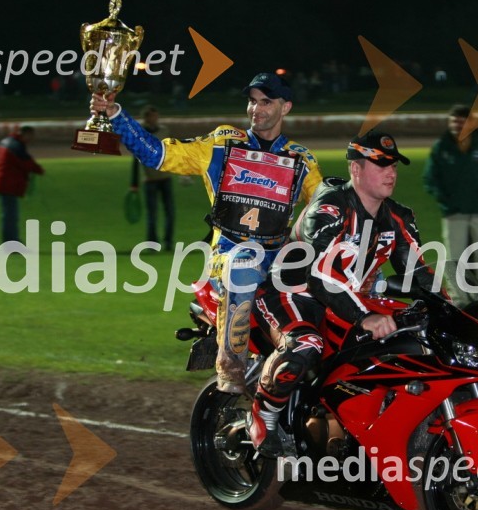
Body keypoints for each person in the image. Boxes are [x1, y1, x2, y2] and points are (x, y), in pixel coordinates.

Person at [91, 72, 323, 393]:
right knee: (243, 262)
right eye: (252, 101)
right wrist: (117, 116)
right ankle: (231, 369)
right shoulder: (221, 145)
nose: (256, 109)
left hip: (280, 263)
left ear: (286, 108)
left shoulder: (301, 159)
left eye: (266, 102)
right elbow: (157, 154)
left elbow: (325, 208)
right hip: (229, 259)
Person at [248, 131, 433, 457]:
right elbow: (321, 276)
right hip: (293, 293)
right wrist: (366, 317)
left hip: (347, 300)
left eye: (393, 165)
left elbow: (419, 275)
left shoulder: (398, 216)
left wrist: (456, 309)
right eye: (380, 164)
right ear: (356, 169)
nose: (390, 172)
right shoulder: (330, 208)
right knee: (306, 344)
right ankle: (263, 416)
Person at [423, 104, 478, 291]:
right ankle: (457, 296)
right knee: (455, 255)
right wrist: (444, 200)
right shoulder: (441, 147)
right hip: (454, 211)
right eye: (454, 121)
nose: (457, 125)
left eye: (462, 121)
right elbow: (429, 178)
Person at [130, 105, 175, 250]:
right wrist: (134, 183)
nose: (155, 119)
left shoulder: (164, 131)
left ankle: (168, 242)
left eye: (156, 116)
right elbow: (135, 160)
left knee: (170, 212)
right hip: (150, 180)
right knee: (152, 214)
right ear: (146, 117)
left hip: (165, 177)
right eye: (152, 116)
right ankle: (152, 243)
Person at [0, 126, 44, 243]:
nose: (31, 139)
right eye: (30, 136)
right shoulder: (16, 146)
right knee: (10, 216)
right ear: (25, 134)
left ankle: (10, 240)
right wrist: (39, 170)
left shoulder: (6, 142)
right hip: (9, 183)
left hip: (3, 181)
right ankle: (11, 242)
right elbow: (27, 163)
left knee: (9, 215)